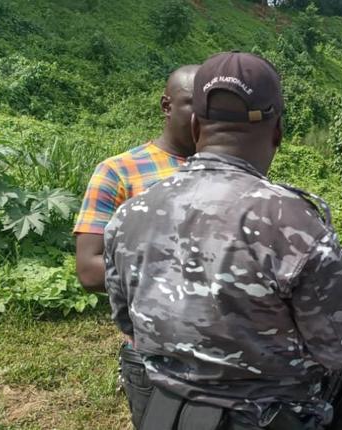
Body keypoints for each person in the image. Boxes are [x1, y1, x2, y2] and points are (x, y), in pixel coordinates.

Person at [104, 51, 342, 430]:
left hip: (162, 414)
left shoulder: (131, 213)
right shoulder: (292, 221)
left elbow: (128, 322)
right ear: (278, 130)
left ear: (196, 125)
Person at [72, 64, 199, 428]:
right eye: (191, 103)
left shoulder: (229, 172)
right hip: (152, 355)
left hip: (226, 357)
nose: (201, 116)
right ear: (166, 105)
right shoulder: (119, 173)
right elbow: (89, 268)